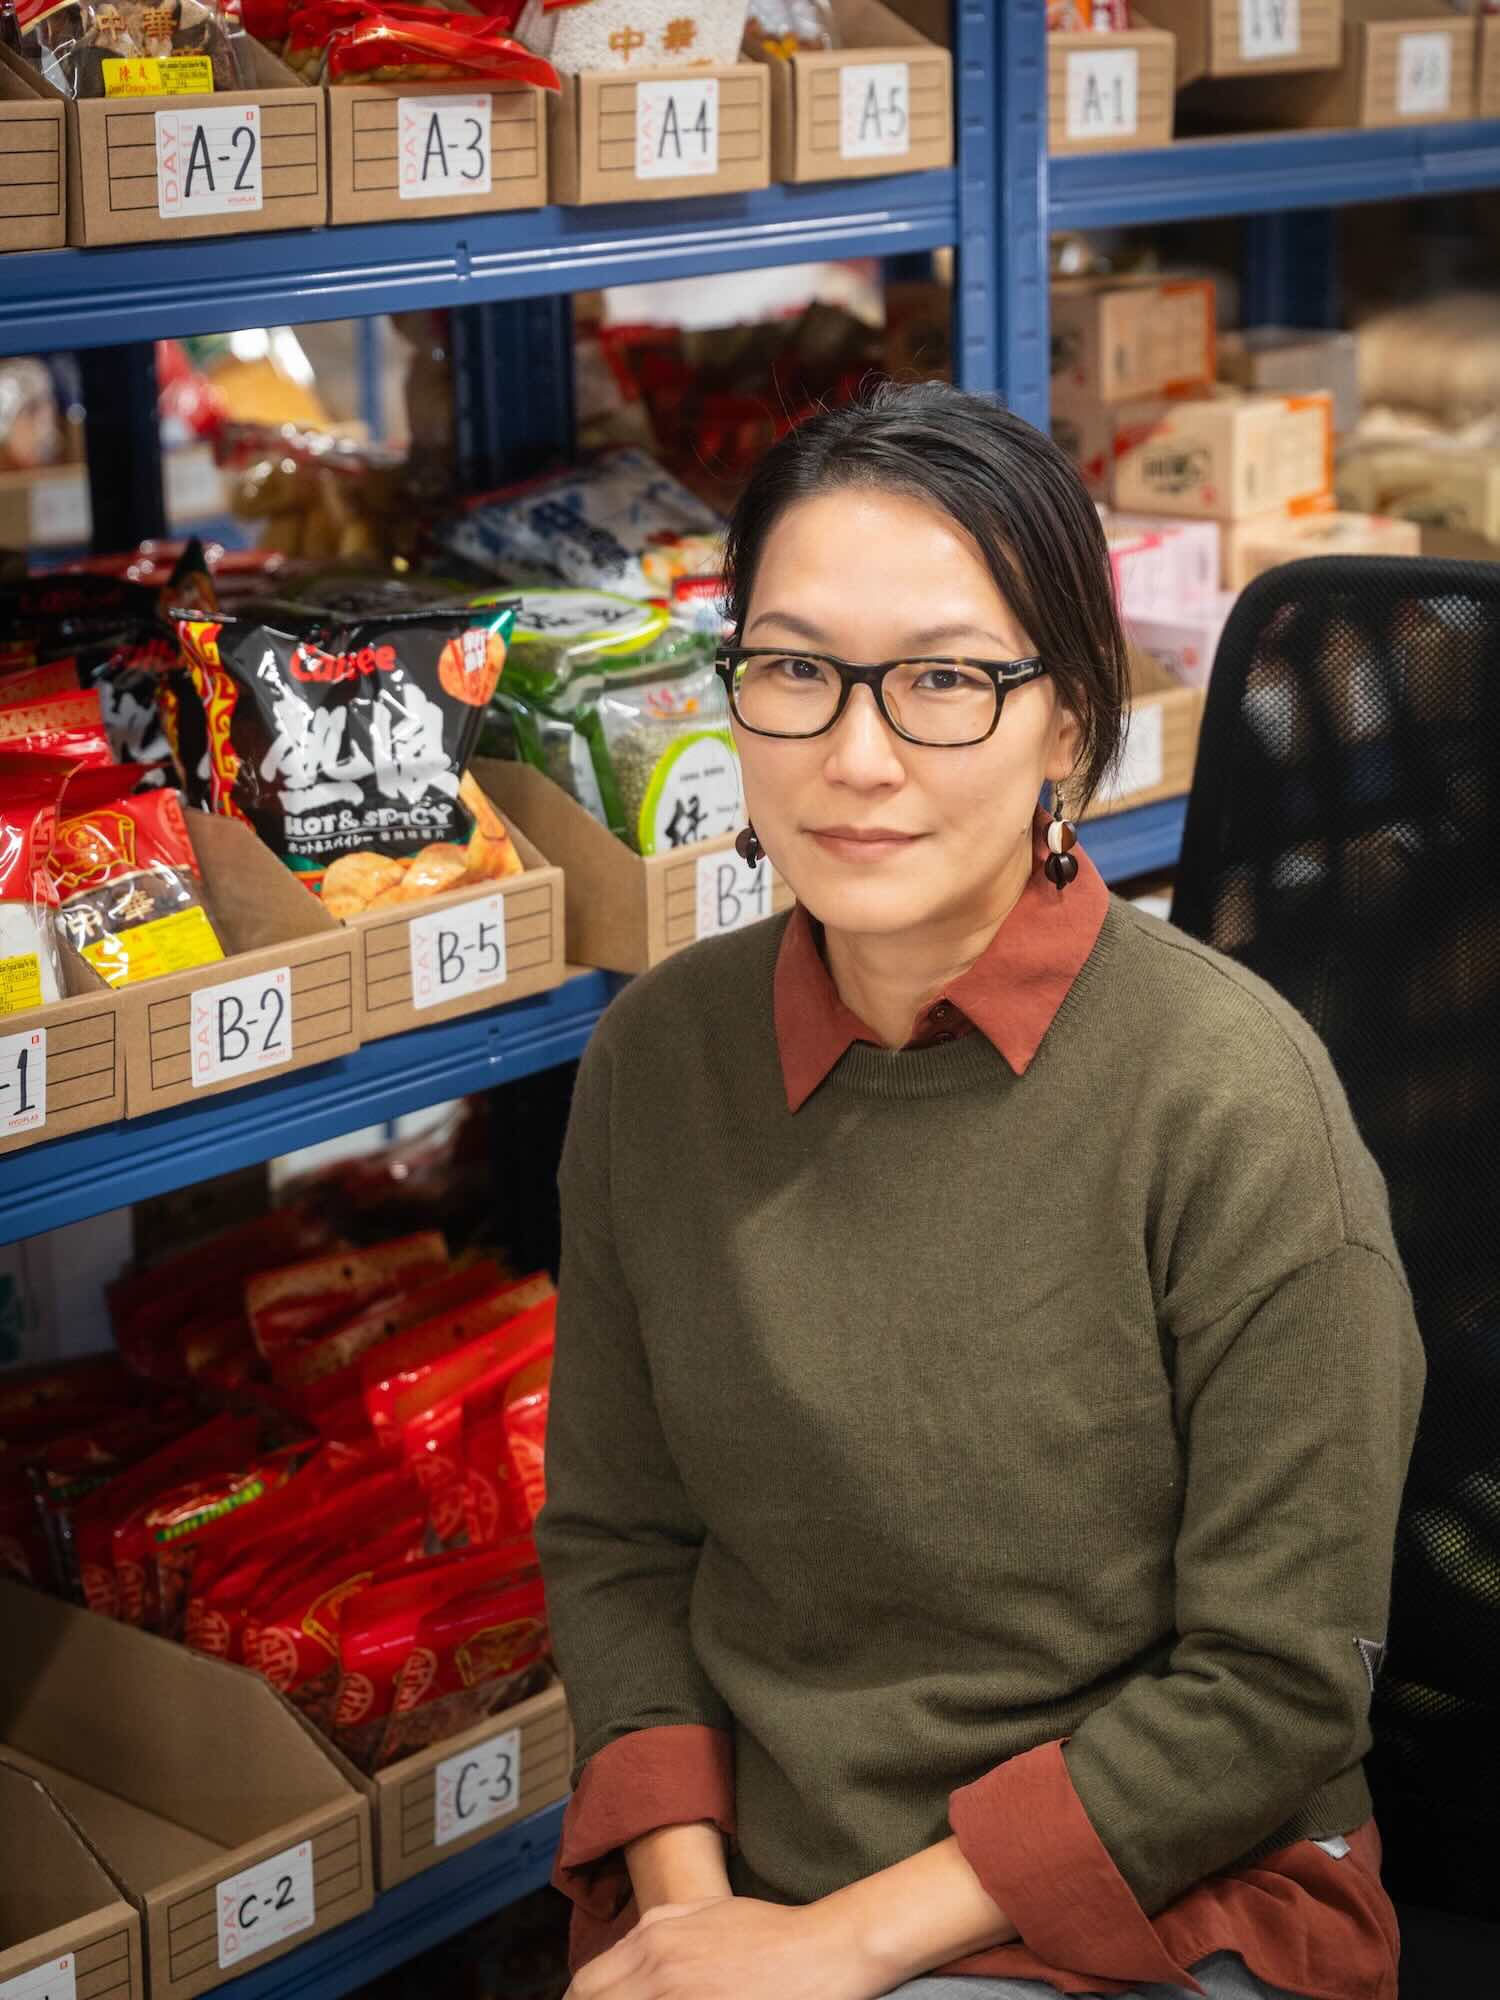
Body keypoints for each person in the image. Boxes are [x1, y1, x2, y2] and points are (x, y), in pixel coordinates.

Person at [533, 381, 1426, 2000]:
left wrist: (835, 1952)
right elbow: (617, 1541)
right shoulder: (660, 1058)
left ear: (1068, 723)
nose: (856, 755)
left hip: (1156, 1893)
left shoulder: (1228, 1099)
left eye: (944, 681)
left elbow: (1275, 1684)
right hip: (759, 1886)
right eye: (795, 671)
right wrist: (692, 1914)